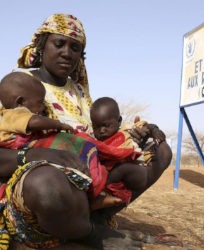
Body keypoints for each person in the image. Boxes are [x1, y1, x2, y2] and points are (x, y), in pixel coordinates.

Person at [0, 13, 172, 249]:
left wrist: (132, 136)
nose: (67, 53)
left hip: (85, 172)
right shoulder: (18, 85)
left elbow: (96, 136)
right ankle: (92, 235)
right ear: (41, 45)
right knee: (45, 183)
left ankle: (89, 220)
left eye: (75, 47)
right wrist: (40, 155)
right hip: (43, 181)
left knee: (160, 152)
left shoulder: (79, 92)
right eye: (59, 43)